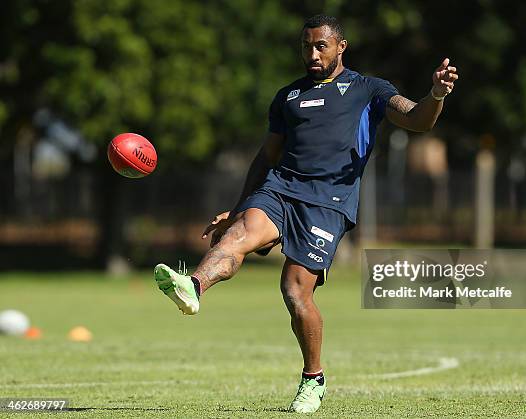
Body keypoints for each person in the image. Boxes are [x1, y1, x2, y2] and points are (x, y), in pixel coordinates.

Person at [154, 14, 458, 413]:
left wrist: (435, 95)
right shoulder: (288, 97)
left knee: (296, 292)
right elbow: (267, 156)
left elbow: (417, 119)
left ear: (340, 47)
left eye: (321, 46)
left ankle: (313, 378)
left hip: (328, 203)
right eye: (306, 47)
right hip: (280, 188)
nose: (312, 54)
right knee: (239, 234)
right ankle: (193, 287)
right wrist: (238, 208)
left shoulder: (369, 89)